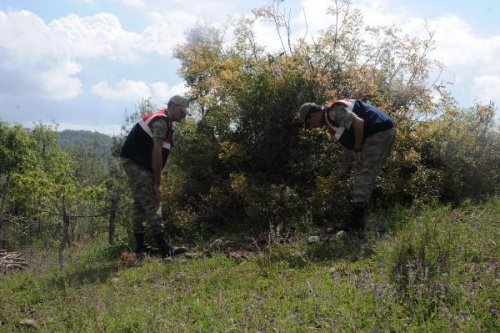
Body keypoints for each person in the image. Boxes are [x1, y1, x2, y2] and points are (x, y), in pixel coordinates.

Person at [299, 99, 396, 231]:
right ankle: (357, 218)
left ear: (312, 115)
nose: (311, 126)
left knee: (362, 170)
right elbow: (347, 146)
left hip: (378, 131)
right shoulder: (330, 119)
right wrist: (344, 167)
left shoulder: (332, 112)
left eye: (309, 122)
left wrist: (358, 151)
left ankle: (357, 221)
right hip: (381, 130)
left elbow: (358, 123)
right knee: (363, 171)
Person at [120, 95, 190, 258]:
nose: (184, 115)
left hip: (135, 161)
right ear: (173, 107)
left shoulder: (165, 121)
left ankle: (141, 247)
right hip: (136, 163)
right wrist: (157, 184)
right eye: (182, 111)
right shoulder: (161, 122)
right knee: (152, 201)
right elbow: (157, 152)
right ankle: (164, 248)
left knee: (140, 203)